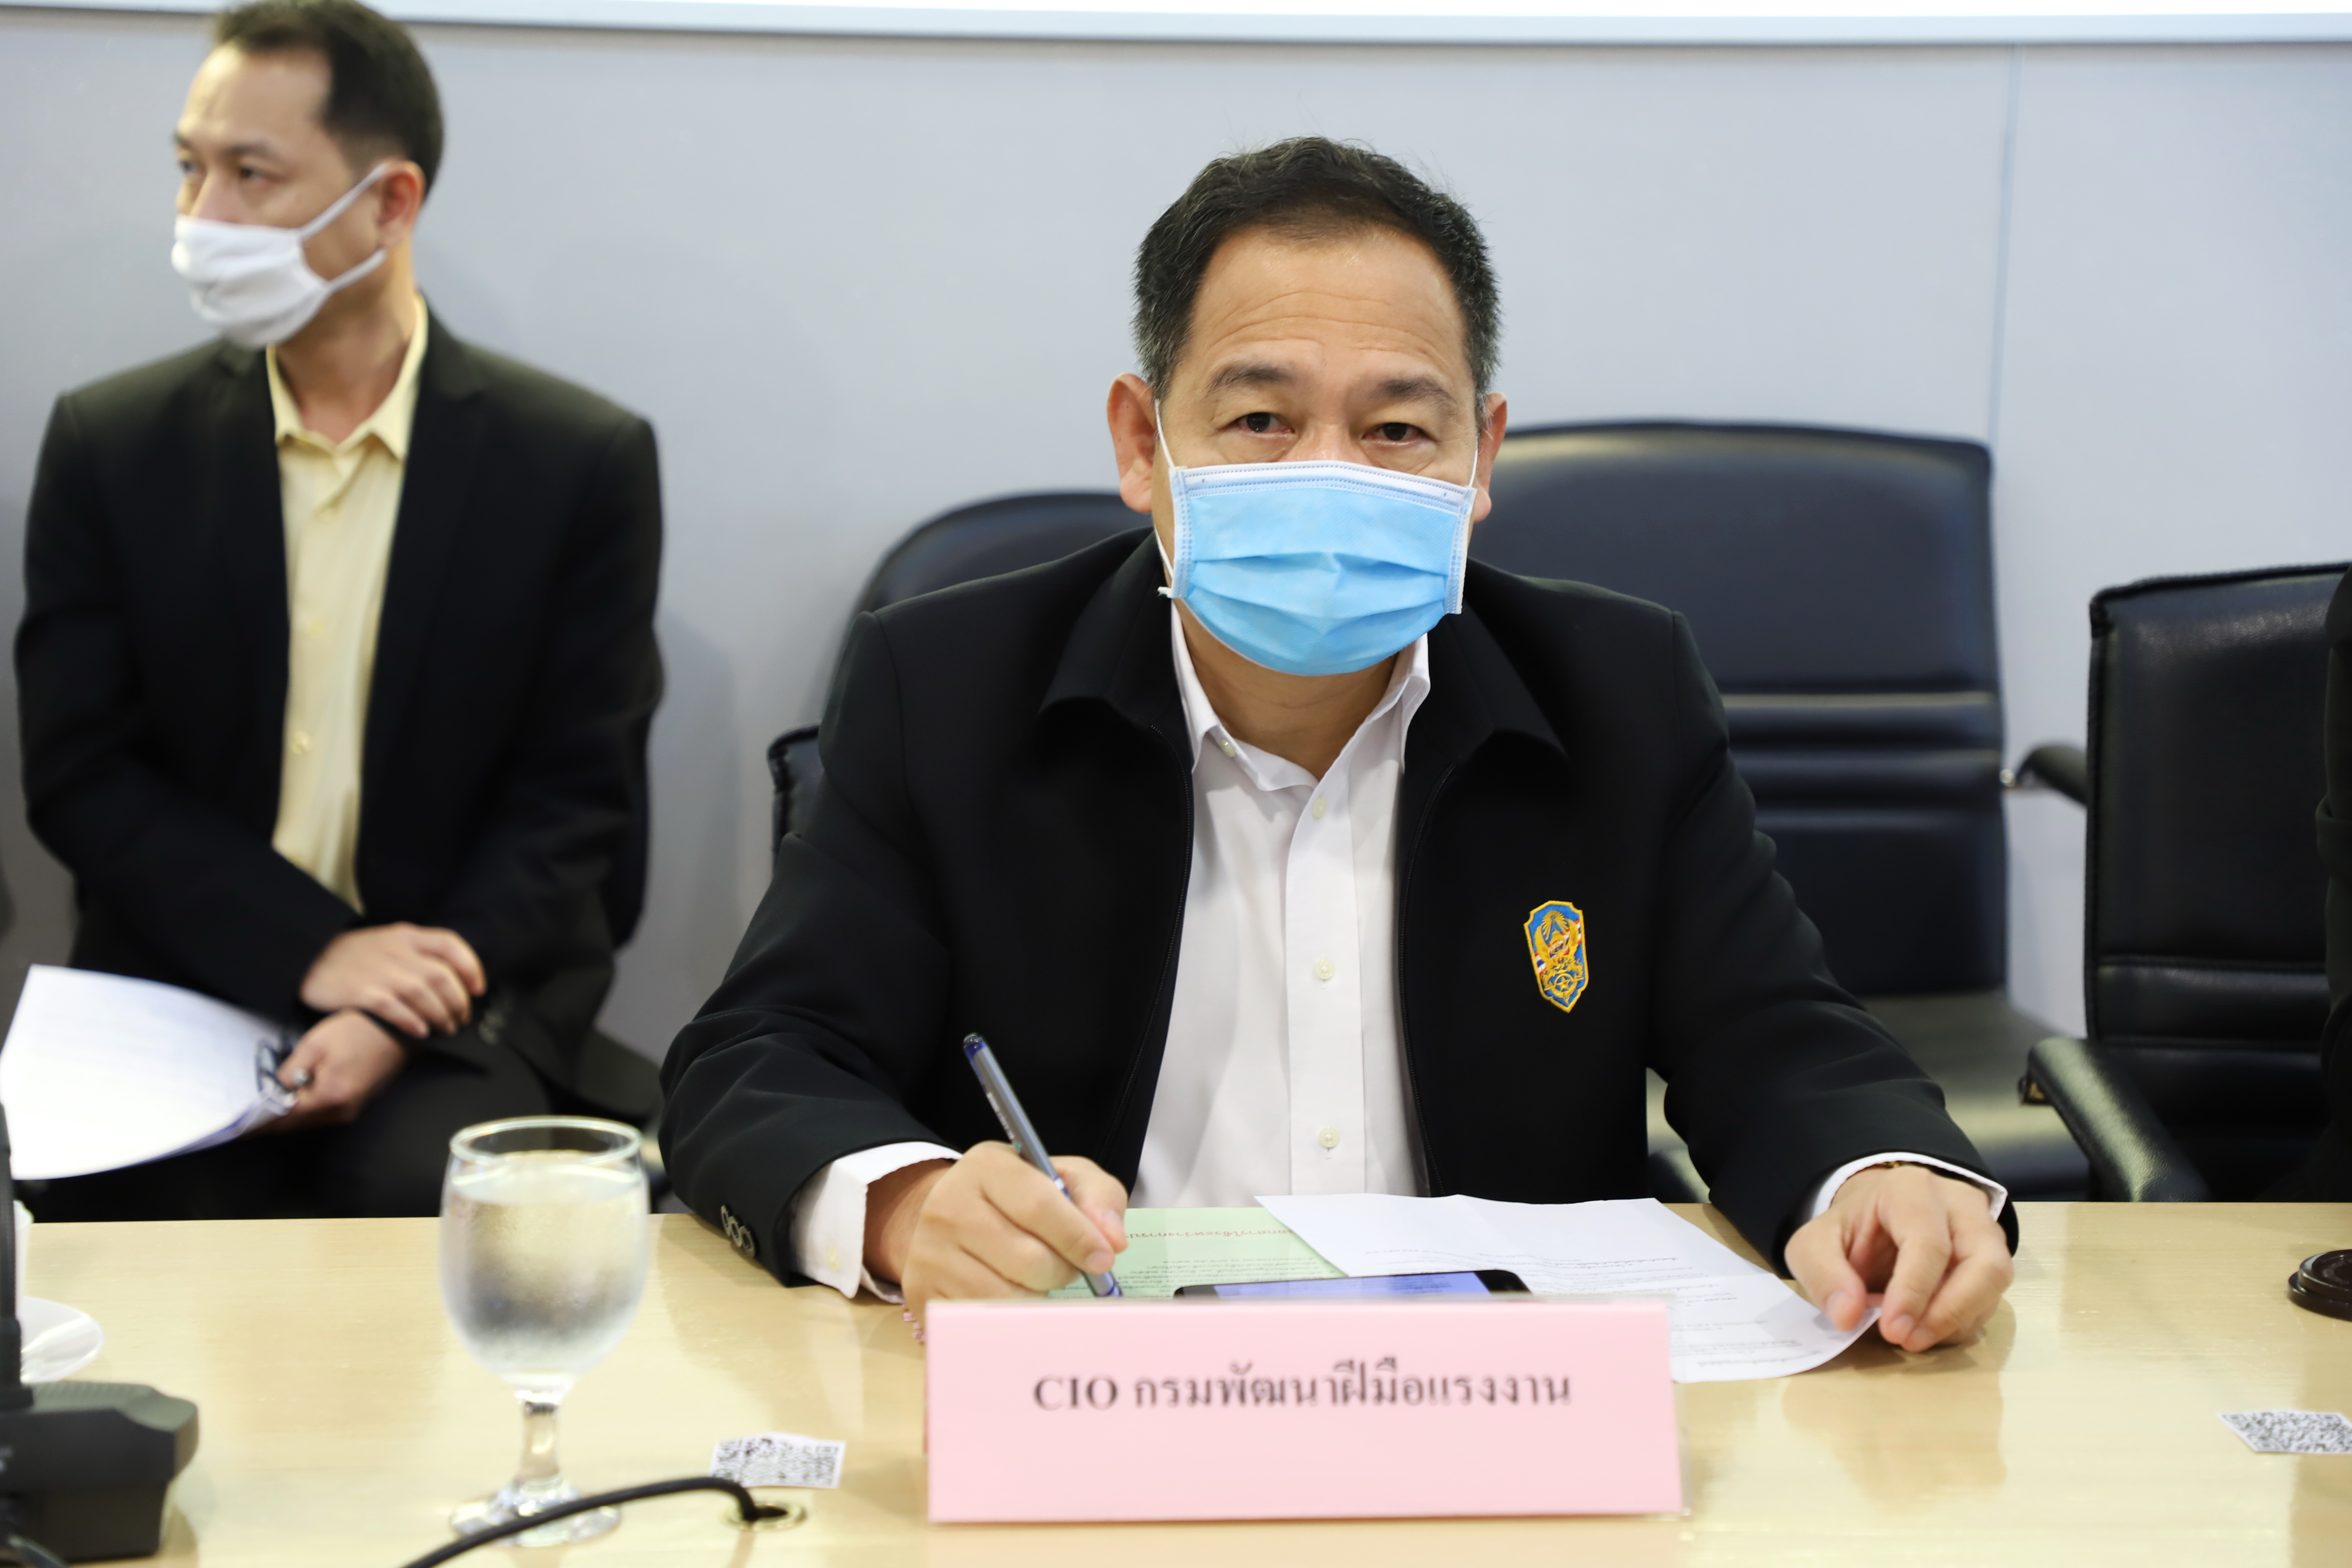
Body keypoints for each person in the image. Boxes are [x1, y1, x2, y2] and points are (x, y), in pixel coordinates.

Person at [661, 138, 2015, 1351]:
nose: (1330, 472)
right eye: (1261, 419)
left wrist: (1880, 1173)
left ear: (1480, 459)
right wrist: (907, 1208)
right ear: (1143, 442)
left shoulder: (1620, 690)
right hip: (1104, 1389)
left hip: (1505, 1407)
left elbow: (1775, 1038)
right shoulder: (949, 683)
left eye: (1397, 429)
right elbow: (760, 1057)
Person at [17, 0, 662, 1219]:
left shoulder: (576, 461)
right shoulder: (114, 445)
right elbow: (80, 771)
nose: (202, 215)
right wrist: (312, 951)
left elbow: (577, 796)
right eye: (190, 167)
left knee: (425, 1207)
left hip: (462, 990)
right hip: (185, 982)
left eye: (251, 174)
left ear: (390, 203)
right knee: (148, 1235)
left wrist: (396, 1000)